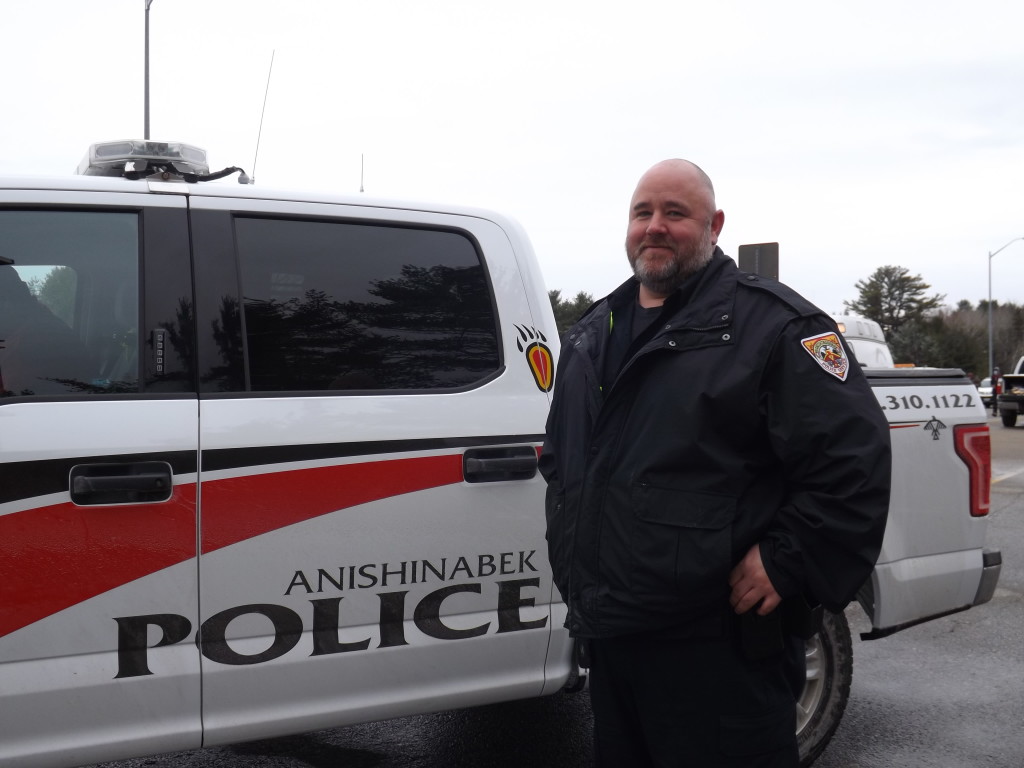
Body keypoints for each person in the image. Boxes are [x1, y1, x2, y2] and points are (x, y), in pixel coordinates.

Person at [539, 159, 891, 767]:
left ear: (714, 225)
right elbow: (564, 460)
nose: (655, 227)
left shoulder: (778, 327)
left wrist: (791, 559)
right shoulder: (595, 332)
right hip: (614, 638)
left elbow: (852, 464)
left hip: (721, 653)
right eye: (642, 212)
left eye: (675, 213)